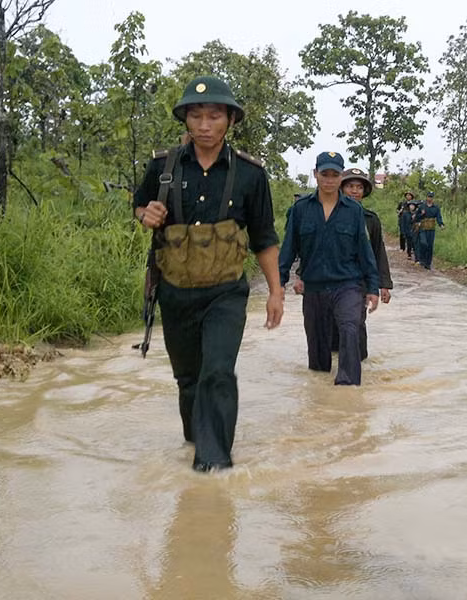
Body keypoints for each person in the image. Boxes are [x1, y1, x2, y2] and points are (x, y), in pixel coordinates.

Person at [132, 75, 284, 473]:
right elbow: (138, 206)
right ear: (185, 119)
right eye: (195, 115)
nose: (204, 124)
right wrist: (146, 214)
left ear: (230, 120)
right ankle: (197, 440)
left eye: (214, 115)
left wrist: (276, 292)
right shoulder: (161, 166)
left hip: (226, 294)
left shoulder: (251, 174)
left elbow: (264, 237)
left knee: (218, 372)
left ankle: (214, 467)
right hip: (175, 292)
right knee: (188, 379)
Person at [279, 152, 380, 386]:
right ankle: (320, 400)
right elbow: (288, 249)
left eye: (335, 175)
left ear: (340, 177)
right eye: (325, 174)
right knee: (318, 360)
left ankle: (348, 393)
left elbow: (366, 252)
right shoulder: (301, 209)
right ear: (316, 174)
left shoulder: (354, 211)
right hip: (314, 288)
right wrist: (278, 285)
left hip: (347, 286)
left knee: (350, 329)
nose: (329, 179)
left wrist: (373, 287)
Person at [326, 167, 392, 360]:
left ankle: (359, 368)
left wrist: (384, 285)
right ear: (341, 188)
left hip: (359, 281)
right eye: (350, 186)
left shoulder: (371, 220)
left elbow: (378, 251)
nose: (355, 191)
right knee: (330, 325)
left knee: (356, 322)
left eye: (359, 187)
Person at [414, 190, 445, 269]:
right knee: (423, 243)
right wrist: (422, 214)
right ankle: (422, 259)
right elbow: (416, 217)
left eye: (431, 197)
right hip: (423, 228)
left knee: (430, 246)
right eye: (428, 197)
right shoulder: (422, 207)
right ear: (426, 197)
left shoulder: (436, 208)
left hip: (431, 229)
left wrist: (441, 224)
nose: (430, 198)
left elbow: (438, 217)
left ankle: (428, 263)